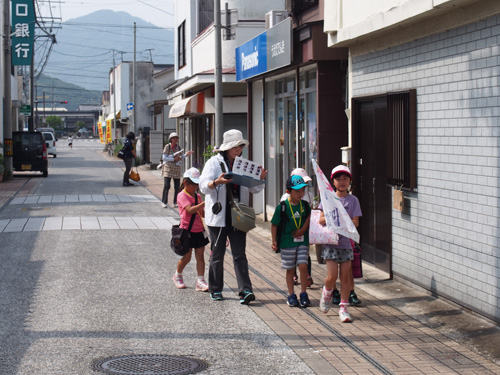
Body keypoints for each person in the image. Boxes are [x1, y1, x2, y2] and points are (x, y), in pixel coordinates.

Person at [199, 129, 267, 304]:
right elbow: (203, 186)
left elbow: (253, 189)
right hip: (219, 215)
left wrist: (260, 179)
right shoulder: (214, 162)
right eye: (235, 147)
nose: (238, 150)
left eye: (240, 146)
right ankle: (215, 289)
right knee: (217, 253)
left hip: (238, 215)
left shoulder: (243, 164)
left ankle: (245, 290)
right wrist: (216, 182)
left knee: (239, 254)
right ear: (226, 148)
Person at [318, 165, 362, 323]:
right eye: (338, 179)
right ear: (332, 182)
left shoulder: (353, 200)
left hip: (346, 244)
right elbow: (321, 220)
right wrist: (332, 220)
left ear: (350, 181)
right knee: (331, 276)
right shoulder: (328, 198)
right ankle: (327, 292)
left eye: (345, 179)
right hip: (330, 244)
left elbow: (356, 222)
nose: (342, 182)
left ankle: (343, 308)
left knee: (345, 277)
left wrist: (345, 221)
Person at [271, 175, 312, 308]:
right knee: (290, 269)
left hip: (302, 241)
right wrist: (274, 241)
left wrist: (303, 230)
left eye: (302, 190)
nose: (301, 194)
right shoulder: (282, 207)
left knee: (303, 265)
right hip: (287, 242)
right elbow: (274, 224)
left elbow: (309, 218)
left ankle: (304, 293)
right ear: (288, 191)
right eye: (297, 191)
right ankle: (291, 295)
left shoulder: (305, 205)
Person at [172, 167, 210, 292]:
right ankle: (177, 275)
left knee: (200, 256)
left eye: (197, 185)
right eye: (193, 184)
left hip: (199, 230)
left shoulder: (198, 196)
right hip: (186, 231)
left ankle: (200, 280)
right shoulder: (182, 195)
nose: (195, 187)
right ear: (185, 183)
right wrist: (203, 203)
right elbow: (189, 210)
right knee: (186, 257)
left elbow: (201, 213)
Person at [280, 168, 315, 288]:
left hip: (304, 231)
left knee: (305, 255)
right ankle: (294, 273)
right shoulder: (285, 197)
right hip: (291, 233)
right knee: (292, 255)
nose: (301, 192)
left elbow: (310, 212)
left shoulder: (309, 195)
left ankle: (307, 275)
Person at [161, 132, 193, 208]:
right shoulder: (167, 146)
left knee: (177, 186)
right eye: (174, 138)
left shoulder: (178, 148)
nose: (176, 139)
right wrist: (173, 159)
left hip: (176, 169)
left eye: (177, 138)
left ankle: (175, 202)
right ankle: (164, 201)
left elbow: (180, 157)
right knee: (167, 185)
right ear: (171, 139)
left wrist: (186, 155)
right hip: (168, 168)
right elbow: (164, 157)